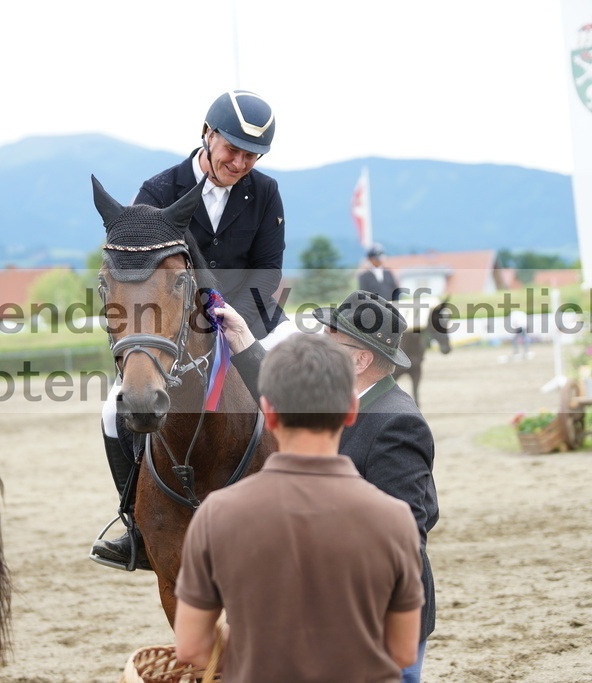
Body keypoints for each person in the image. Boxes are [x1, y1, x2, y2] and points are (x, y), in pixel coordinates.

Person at [92, 90, 290, 569]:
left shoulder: (265, 192)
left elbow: (267, 272)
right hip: (176, 332)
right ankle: (136, 525)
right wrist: (196, 325)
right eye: (232, 149)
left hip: (252, 319)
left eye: (251, 156)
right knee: (111, 412)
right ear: (208, 135)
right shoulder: (160, 189)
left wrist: (233, 323)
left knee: (308, 381)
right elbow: (137, 274)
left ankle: (325, 503)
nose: (240, 163)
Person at [215, 290, 439, 682]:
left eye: (329, 338)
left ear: (360, 360)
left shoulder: (396, 423)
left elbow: (404, 540)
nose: (318, 344)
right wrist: (242, 338)